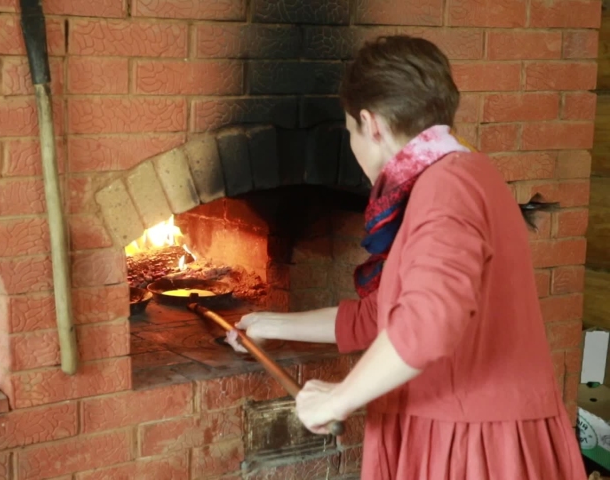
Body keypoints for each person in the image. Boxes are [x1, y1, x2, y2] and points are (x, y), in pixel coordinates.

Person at [227, 35, 586, 479]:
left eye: (349, 132)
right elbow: (382, 319)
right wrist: (269, 325)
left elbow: (425, 324)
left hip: (472, 448)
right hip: (455, 428)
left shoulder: (445, 189)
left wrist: (339, 398)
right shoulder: (463, 172)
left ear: (370, 123)